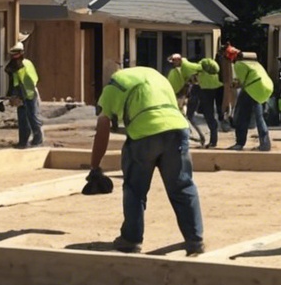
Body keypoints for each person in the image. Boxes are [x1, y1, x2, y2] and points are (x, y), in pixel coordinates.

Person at [87, 66, 205, 255]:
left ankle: (131, 239)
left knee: (135, 189)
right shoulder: (158, 77)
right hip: (177, 130)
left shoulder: (113, 86)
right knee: (182, 186)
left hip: (144, 135)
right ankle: (195, 240)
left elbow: (103, 129)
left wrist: (94, 165)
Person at [224, 45, 274, 151]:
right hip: (266, 87)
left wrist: (233, 85)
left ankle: (239, 143)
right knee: (259, 118)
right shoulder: (254, 63)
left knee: (240, 115)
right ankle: (265, 144)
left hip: (253, 88)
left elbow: (241, 82)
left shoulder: (238, 64)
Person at [6, 41, 43, 149]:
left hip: (30, 94)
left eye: (16, 53)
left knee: (32, 117)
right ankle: (23, 141)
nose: (14, 56)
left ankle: (38, 139)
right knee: (22, 118)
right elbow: (16, 82)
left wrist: (28, 95)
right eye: (13, 54)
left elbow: (33, 80)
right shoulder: (16, 66)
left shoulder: (26, 64)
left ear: (21, 53)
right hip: (22, 94)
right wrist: (15, 95)